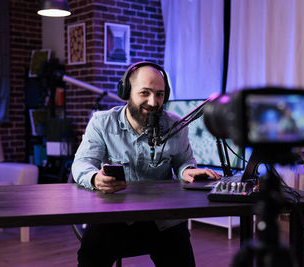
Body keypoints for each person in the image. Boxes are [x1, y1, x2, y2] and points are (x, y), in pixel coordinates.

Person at [72, 61, 220, 267]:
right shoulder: (102, 122)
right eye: (145, 93)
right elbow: (82, 163)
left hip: (162, 219)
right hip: (114, 217)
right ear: (126, 92)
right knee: (89, 259)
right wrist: (95, 178)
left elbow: (184, 160)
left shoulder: (175, 125)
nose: (153, 102)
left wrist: (187, 171)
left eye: (159, 94)